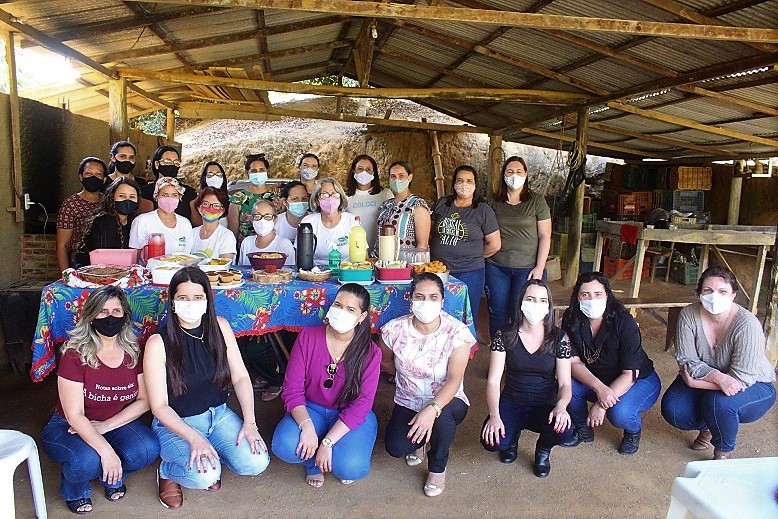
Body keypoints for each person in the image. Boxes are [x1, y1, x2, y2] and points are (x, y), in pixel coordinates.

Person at [144, 267, 270, 509]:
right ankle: (167, 471)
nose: (190, 304)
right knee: (204, 477)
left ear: (207, 300)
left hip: (218, 415)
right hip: (177, 423)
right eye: (183, 298)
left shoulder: (220, 327)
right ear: (172, 303)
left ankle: (212, 455)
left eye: (197, 297)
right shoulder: (158, 343)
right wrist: (194, 438)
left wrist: (250, 422)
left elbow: (241, 377)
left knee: (256, 462)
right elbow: (159, 406)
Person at [41, 286, 159, 514]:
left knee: (147, 449)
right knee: (87, 459)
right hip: (70, 426)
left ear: (125, 316)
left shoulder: (134, 351)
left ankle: (110, 475)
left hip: (114, 421)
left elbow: (144, 400)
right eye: (103, 311)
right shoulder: (74, 354)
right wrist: (106, 451)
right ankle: (76, 488)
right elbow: (74, 415)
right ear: (91, 315)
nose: (110, 317)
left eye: (116, 311)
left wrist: (105, 427)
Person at [272, 283, 381, 487]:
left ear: (362, 317)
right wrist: (306, 427)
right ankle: (313, 462)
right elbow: (292, 389)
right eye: (338, 305)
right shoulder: (308, 336)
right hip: (312, 408)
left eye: (350, 310)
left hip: (350, 415)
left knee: (350, 468)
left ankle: (329, 446)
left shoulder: (370, 352)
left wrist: (328, 441)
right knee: (285, 445)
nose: (341, 313)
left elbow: (362, 404)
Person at [661, 266, 776, 460]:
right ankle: (709, 426)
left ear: (733, 295)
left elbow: (741, 380)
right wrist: (716, 377)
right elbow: (686, 359)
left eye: (722, 291)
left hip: (754, 384)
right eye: (708, 291)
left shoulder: (747, 325)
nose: (714, 297)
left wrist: (695, 383)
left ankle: (723, 450)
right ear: (699, 293)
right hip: (712, 376)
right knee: (674, 409)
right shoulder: (689, 315)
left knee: (718, 402)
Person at [380, 273, 475, 497]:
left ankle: (437, 466)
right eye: (420, 296)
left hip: (447, 401)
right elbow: (384, 360)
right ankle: (419, 443)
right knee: (395, 447)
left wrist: (431, 410)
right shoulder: (394, 330)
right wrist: (404, 377)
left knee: (441, 421)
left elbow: (454, 379)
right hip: (408, 399)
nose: (426, 302)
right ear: (411, 301)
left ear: (442, 301)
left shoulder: (457, 332)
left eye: (433, 297)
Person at [561, 271, 661, 455]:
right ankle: (583, 428)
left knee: (619, 413)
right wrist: (600, 388)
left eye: (598, 294)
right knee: (565, 386)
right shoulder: (571, 318)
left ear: (607, 295)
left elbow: (630, 374)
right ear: (577, 298)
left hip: (636, 380)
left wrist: (600, 405)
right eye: (585, 295)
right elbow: (573, 362)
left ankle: (632, 431)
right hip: (597, 379)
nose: (592, 300)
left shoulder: (623, 321)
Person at [480, 280, 573, 478]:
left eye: (542, 300)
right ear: (521, 302)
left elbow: (565, 383)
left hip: (545, 404)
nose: (536, 305)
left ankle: (543, 450)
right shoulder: (504, 335)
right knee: (492, 441)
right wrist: (495, 415)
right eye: (530, 299)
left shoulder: (559, 338)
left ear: (548, 306)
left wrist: (562, 406)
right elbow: (494, 381)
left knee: (564, 431)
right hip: (513, 401)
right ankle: (511, 439)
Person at [485, 156, 552, 336]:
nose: (514, 175)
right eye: (510, 172)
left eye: (518, 171)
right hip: (496, 266)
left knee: (523, 313)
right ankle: (499, 352)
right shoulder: (492, 201)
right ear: (503, 175)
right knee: (497, 313)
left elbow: (545, 235)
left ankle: (518, 356)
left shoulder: (536, 201)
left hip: (527, 268)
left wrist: (540, 266)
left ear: (526, 174)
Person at [430, 165, 500, 326]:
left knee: (465, 315)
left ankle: (466, 350)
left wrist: (472, 255)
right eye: (460, 180)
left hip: (470, 272)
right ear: (454, 183)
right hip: (439, 270)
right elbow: (430, 233)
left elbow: (494, 244)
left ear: (475, 185)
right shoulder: (442, 204)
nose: (464, 184)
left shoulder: (483, 211)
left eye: (469, 181)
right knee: (437, 312)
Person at [72, 177, 142, 267]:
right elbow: (105, 260)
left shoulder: (133, 221)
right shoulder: (103, 221)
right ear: (112, 196)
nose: (127, 200)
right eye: (122, 196)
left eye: (132, 197)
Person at [56, 157, 107, 271]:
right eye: (88, 173)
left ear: (104, 179)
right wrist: (66, 274)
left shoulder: (108, 202)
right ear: (81, 177)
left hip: (107, 263)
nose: (93, 177)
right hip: (80, 264)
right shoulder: (70, 204)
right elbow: (62, 245)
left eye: (98, 174)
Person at [374, 161, 431, 262]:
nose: (397, 180)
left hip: (404, 265)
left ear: (410, 177)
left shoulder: (417, 206)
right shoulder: (386, 205)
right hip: (381, 263)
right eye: (393, 176)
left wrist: (416, 270)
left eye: (401, 176)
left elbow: (422, 244)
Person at [300, 177, 358, 264]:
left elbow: (363, 255)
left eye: (334, 194)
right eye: (324, 194)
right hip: (315, 273)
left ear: (341, 198)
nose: (330, 199)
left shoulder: (352, 221)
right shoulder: (308, 222)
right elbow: (301, 257)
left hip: (345, 271)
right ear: (317, 200)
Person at [129, 177, 193, 255]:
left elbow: (186, 256)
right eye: (164, 195)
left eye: (174, 195)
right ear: (157, 197)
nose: (169, 199)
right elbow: (134, 255)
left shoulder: (185, 223)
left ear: (180, 197)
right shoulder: (142, 221)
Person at [228, 153, 279, 246]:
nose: (258, 173)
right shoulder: (238, 198)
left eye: (261, 170)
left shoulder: (276, 196)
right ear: (247, 173)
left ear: (267, 171)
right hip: (245, 248)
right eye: (254, 171)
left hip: (273, 246)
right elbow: (232, 232)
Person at [345, 155, 392, 251]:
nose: (364, 172)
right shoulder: (345, 197)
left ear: (373, 172)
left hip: (381, 249)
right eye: (360, 169)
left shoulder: (385, 194)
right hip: (355, 249)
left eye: (368, 169)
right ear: (354, 171)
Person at [140, 146, 197, 222]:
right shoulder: (145, 192)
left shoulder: (189, 192)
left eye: (176, 162)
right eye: (167, 161)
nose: (172, 165)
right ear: (157, 164)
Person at [238, 199, 295, 267]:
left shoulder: (284, 244)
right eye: (257, 216)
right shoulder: (246, 242)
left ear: (275, 219)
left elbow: (290, 272)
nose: (262, 220)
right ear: (252, 219)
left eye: (267, 217)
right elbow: (240, 270)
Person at [190, 187, 236, 262]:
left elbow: (224, 266)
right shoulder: (191, 233)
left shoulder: (226, 236)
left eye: (216, 205)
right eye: (206, 204)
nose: (210, 208)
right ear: (199, 207)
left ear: (223, 210)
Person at [189, 161, 229, 227]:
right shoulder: (194, 203)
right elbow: (198, 226)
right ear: (204, 178)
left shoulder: (229, 201)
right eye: (210, 175)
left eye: (218, 174)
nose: (215, 177)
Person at [274, 180, 310, 244]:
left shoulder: (315, 220)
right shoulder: (276, 222)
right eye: (295, 199)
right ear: (285, 201)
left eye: (304, 198)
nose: (300, 202)